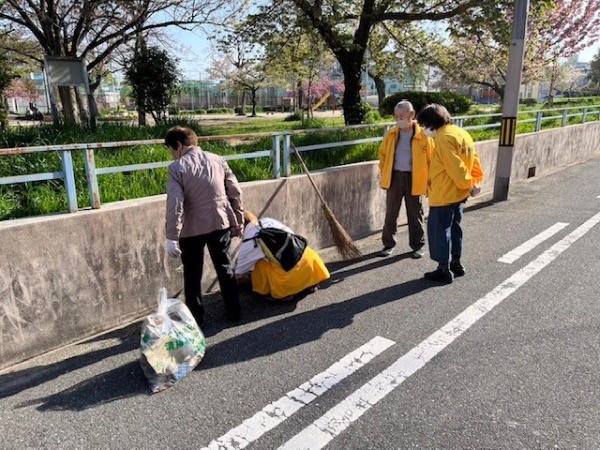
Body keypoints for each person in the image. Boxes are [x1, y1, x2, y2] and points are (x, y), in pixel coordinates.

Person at [164, 126, 244, 327]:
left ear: (179, 145)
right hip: (220, 222)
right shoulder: (217, 159)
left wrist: (172, 237)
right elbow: (235, 191)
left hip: (191, 229)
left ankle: (197, 320)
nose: (172, 154)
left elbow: (175, 204)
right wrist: (239, 219)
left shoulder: (176, 168)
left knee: (192, 275)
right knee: (225, 267)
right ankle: (234, 312)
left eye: (171, 150)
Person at [416, 104, 484, 284]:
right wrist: (474, 182)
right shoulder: (461, 133)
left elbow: (456, 167)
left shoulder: (443, 137)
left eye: (424, 125)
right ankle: (456, 264)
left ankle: (443, 269)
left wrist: (468, 183)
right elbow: (473, 160)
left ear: (431, 123)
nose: (423, 129)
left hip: (444, 193)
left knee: (440, 231)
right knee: (455, 228)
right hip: (459, 193)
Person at [378, 100, 434, 258]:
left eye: (401, 116)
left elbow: (432, 159)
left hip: (415, 178)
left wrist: (429, 181)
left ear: (412, 115)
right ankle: (388, 244)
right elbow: (382, 156)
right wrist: (385, 172)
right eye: (396, 116)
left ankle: (417, 246)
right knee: (391, 213)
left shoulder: (424, 135)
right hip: (394, 177)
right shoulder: (391, 134)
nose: (398, 119)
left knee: (415, 213)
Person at [235, 211, 330, 301]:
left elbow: (239, 274)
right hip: (310, 263)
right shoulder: (267, 221)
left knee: (257, 264)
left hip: (288, 276)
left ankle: (284, 292)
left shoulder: (249, 242)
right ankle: (310, 284)